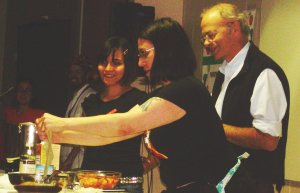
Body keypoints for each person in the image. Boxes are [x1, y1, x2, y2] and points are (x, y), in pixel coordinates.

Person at [36, 18, 248, 193]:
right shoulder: (165, 93)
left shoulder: (186, 90)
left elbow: (123, 125)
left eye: (144, 53)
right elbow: (112, 135)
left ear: (166, 51)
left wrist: (61, 123)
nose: (139, 62)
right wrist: (58, 134)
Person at [200, 3, 290, 193]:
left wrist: (214, 128)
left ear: (233, 28)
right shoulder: (225, 72)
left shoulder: (263, 72)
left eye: (210, 34)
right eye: (204, 38)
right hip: (226, 183)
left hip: (251, 186)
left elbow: (268, 140)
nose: (206, 43)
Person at [81, 36, 147, 193]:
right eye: (103, 62)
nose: (108, 68)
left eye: (116, 63)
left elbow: (159, 146)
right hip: (90, 182)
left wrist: (140, 168)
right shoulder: (91, 102)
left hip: (125, 185)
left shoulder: (139, 100)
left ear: (128, 66)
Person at [59, 54, 97, 171]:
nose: (73, 75)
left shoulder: (90, 96)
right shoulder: (75, 97)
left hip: (78, 163)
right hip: (70, 162)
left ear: (86, 74)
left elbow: (84, 132)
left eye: (77, 72)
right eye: (71, 72)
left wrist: (68, 161)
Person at [2, 78, 45, 170]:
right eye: (20, 90)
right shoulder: (8, 113)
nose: (23, 93)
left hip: (30, 164)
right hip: (7, 163)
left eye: (27, 90)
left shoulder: (39, 115)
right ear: (16, 93)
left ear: (32, 94)